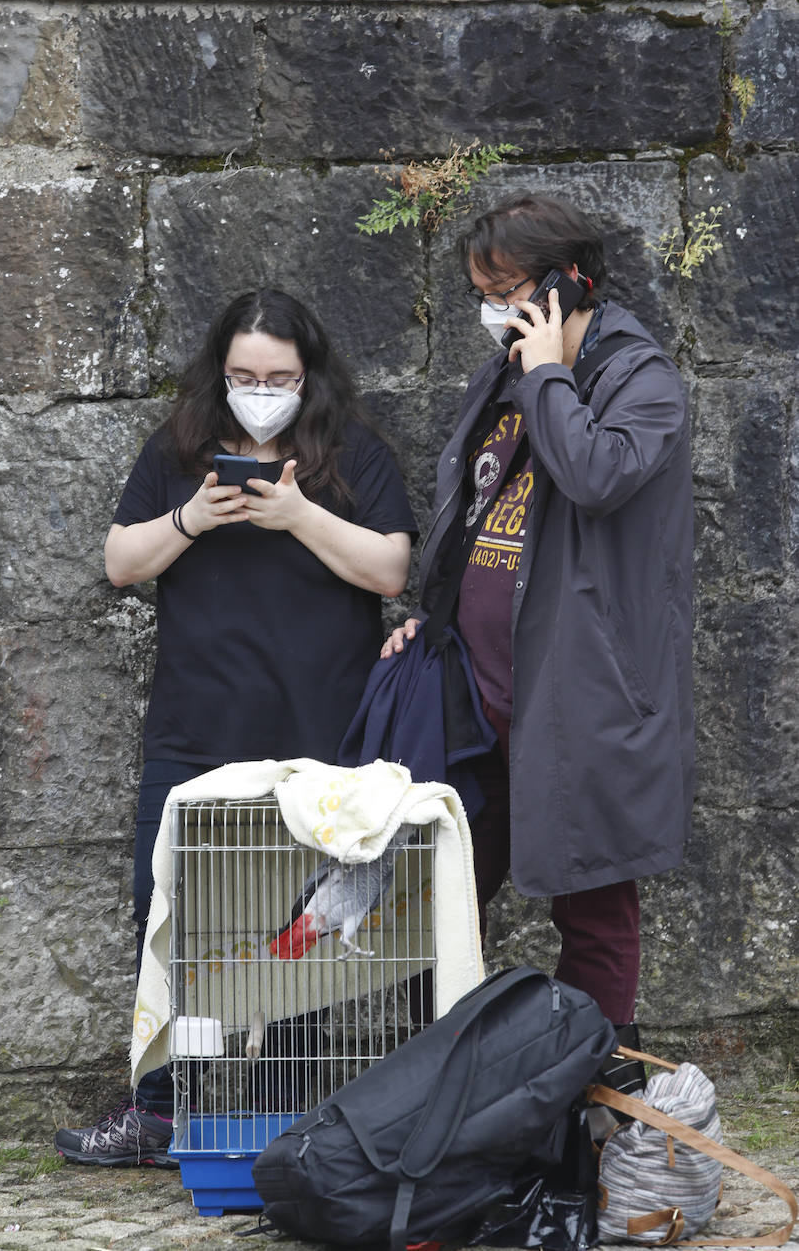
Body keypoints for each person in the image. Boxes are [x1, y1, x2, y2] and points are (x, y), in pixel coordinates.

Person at [54, 287, 416, 1166]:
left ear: (309, 375)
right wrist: (190, 518)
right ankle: (159, 1107)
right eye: (244, 375)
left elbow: (390, 569)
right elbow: (119, 563)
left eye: (280, 376)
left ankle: (284, 1116)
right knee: (171, 916)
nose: (262, 389)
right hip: (195, 729)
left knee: (306, 929)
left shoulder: (351, 454)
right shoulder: (179, 451)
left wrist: (298, 515)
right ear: (219, 375)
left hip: (319, 735)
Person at [382, 192, 693, 1072]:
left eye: (508, 286)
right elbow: (473, 507)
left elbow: (595, 473)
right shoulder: (511, 372)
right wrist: (426, 624)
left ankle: (598, 1094)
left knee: (593, 903)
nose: (494, 308)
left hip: (578, 694)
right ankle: (444, 1086)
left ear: (564, 282)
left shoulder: (641, 379)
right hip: (478, 691)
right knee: (441, 895)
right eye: (482, 290)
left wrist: (550, 372)